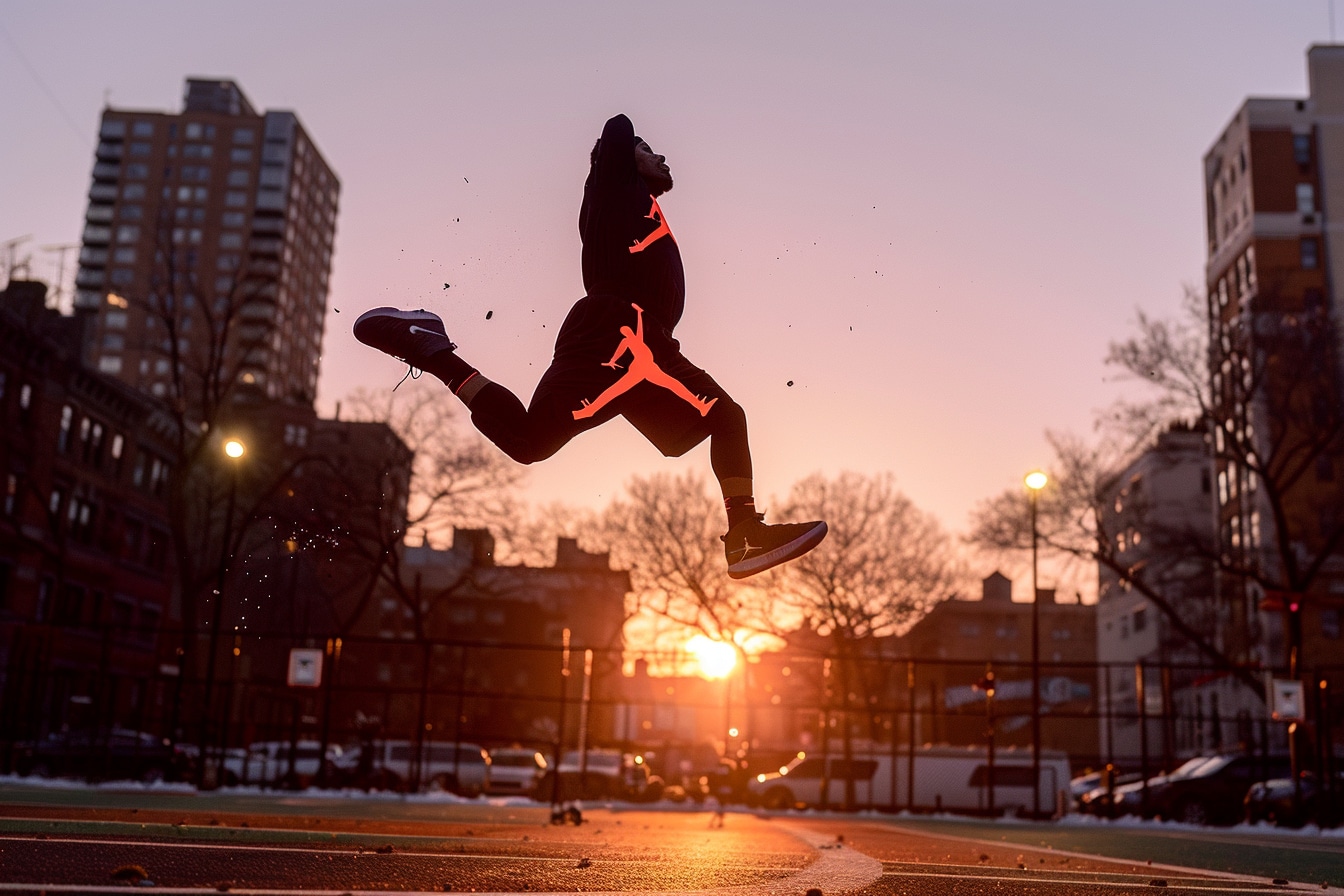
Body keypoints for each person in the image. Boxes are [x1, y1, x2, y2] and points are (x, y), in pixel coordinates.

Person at [354, 113, 826, 578]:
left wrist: (643, 170)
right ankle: (744, 535)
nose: (662, 156)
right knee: (726, 416)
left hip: (635, 346)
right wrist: (625, 153)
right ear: (621, 158)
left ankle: (432, 351)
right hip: (624, 333)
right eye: (649, 150)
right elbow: (618, 125)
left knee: (529, 440)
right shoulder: (611, 183)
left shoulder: (631, 200)